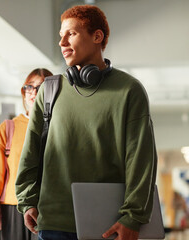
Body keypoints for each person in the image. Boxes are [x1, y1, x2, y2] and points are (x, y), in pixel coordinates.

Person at [15, 5, 157, 240]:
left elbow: (140, 159)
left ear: (97, 36)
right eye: (60, 35)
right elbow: (31, 151)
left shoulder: (129, 90)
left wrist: (133, 216)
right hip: (51, 223)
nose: (62, 43)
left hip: (108, 224)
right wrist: (27, 200)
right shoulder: (50, 90)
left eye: (71, 33)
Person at [0, 68, 53, 240]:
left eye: (42, 87)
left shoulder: (60, 126)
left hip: (49, 208)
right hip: (13, 209)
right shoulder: (9, 127)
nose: (34, 92)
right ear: (24, 92)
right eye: (29, 87)